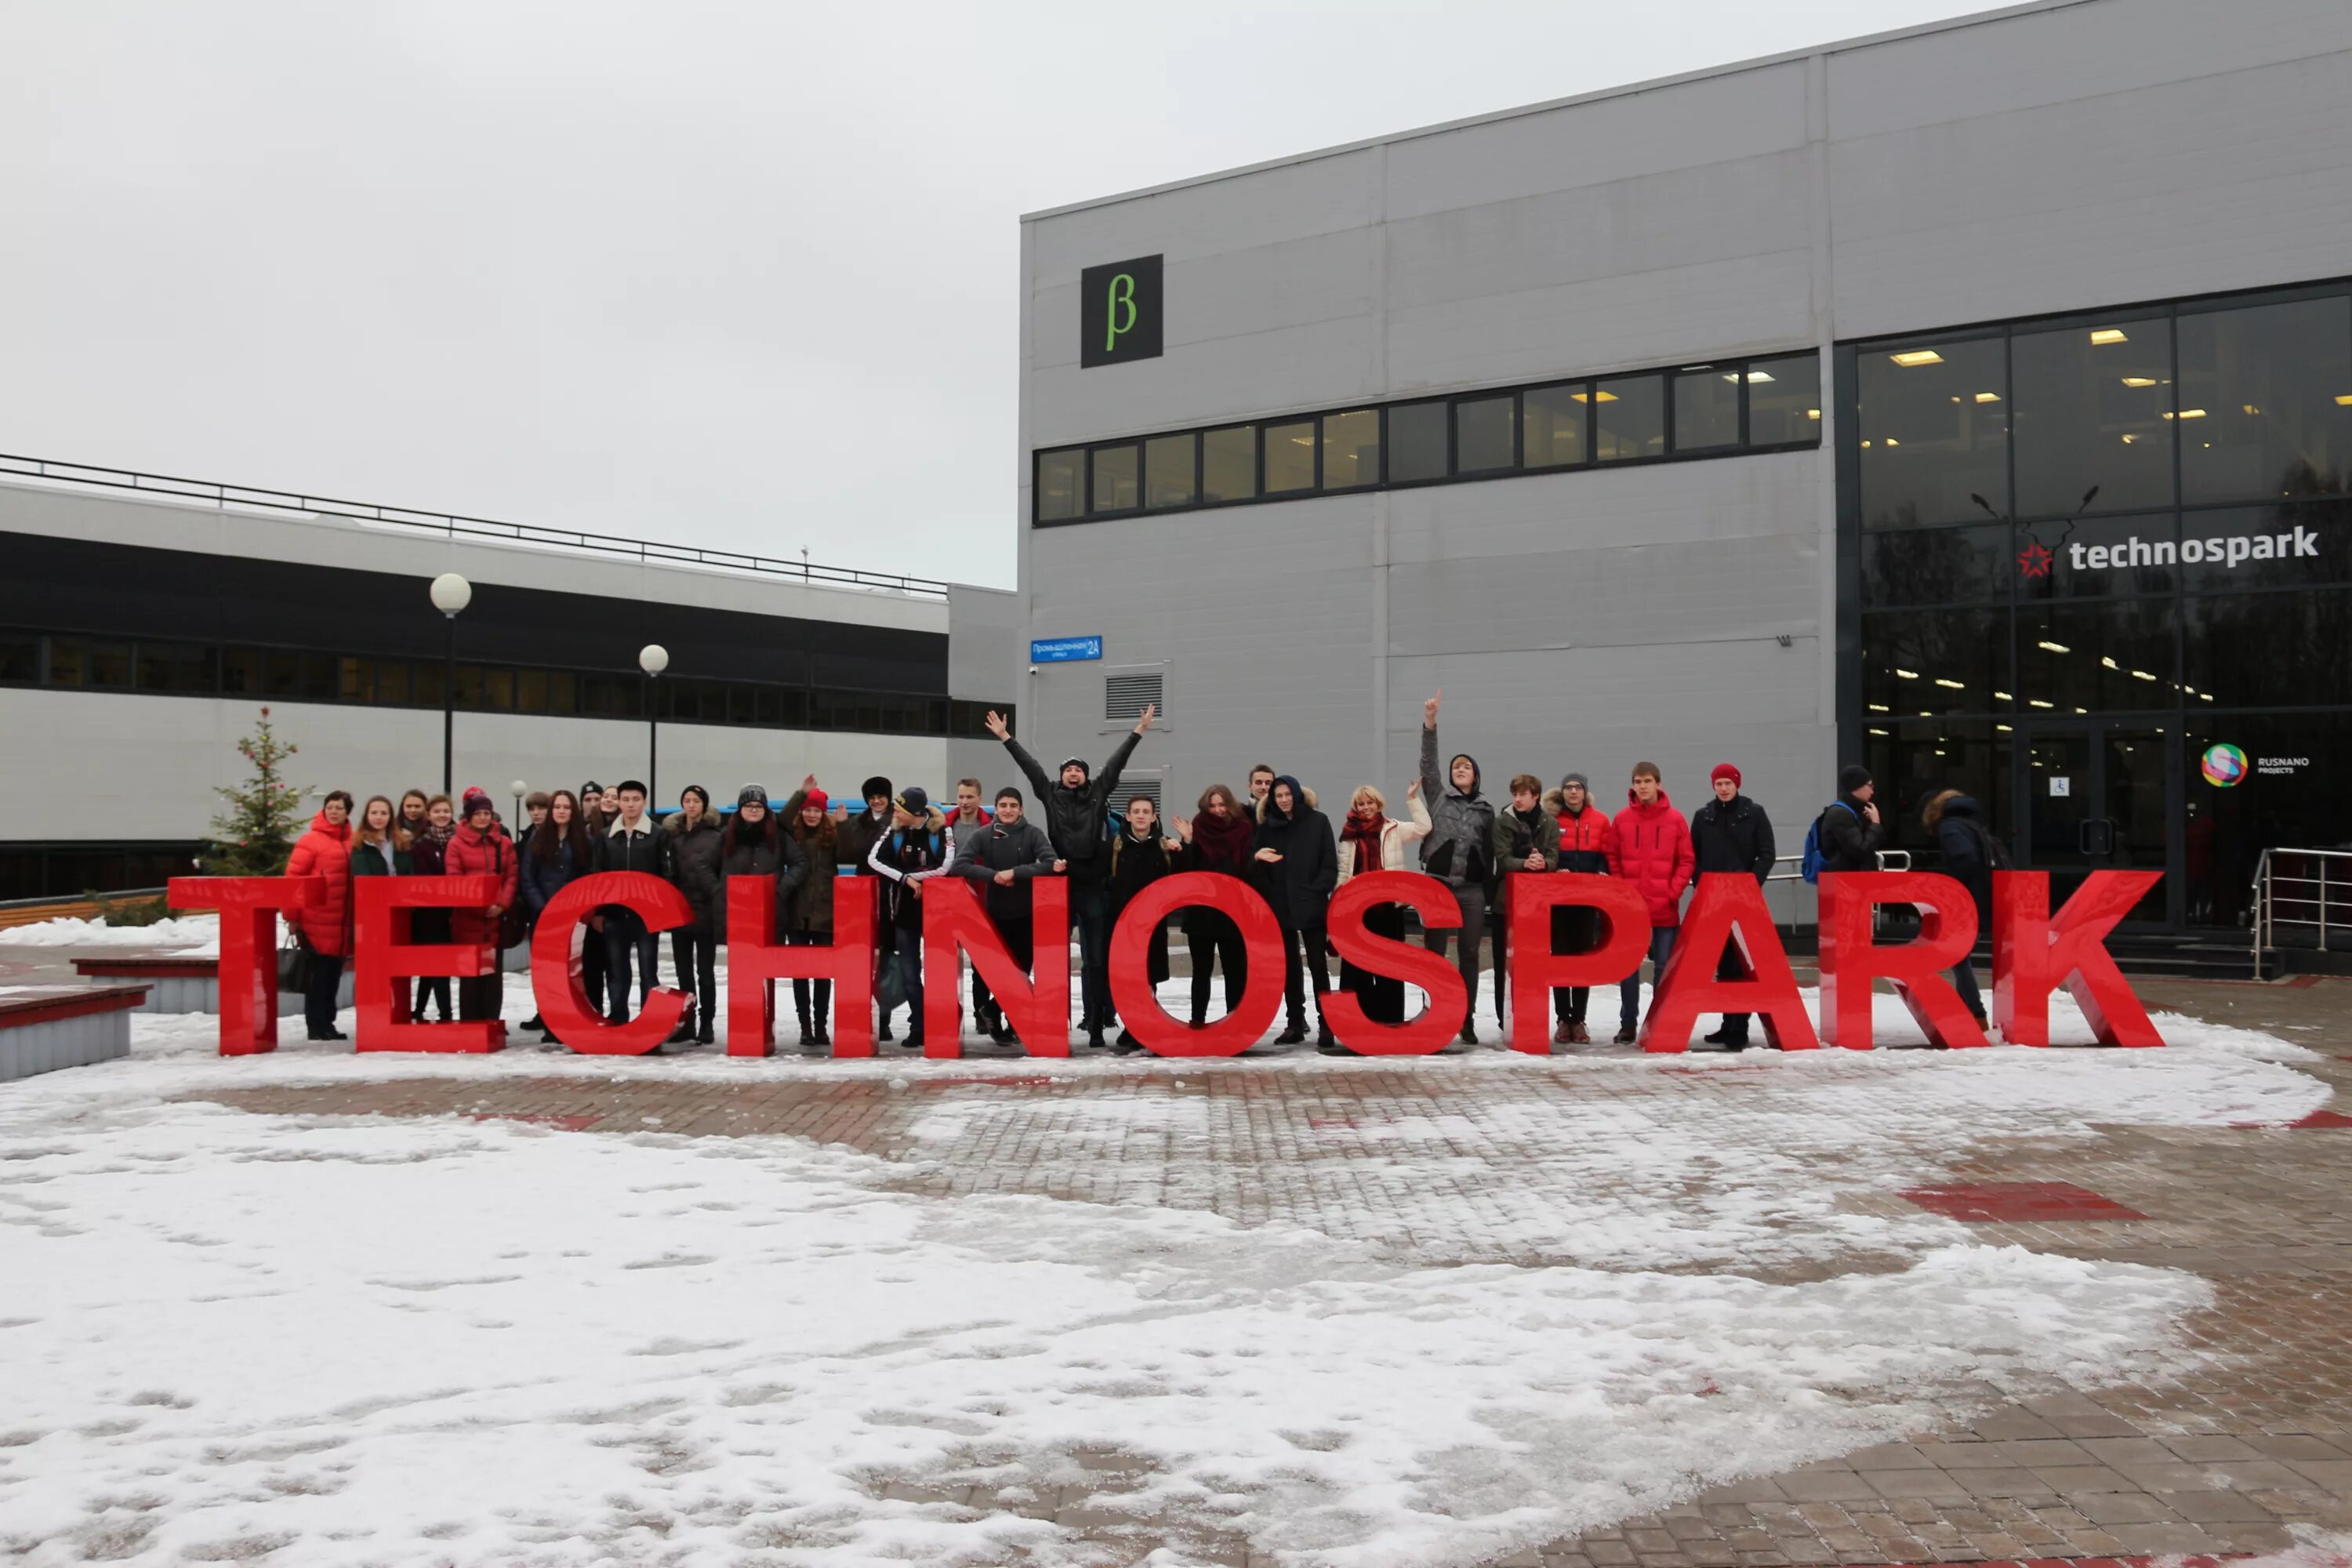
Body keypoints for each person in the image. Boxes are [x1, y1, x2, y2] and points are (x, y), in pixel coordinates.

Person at [988, 702, 1156, 1051]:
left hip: (1092, 887)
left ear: (1086, 776)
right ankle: (1037, 1016)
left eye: (1080, 770)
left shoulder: (1098, 795)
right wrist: (1006, 738)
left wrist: (1138, 732)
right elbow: (1030, 767)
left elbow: (1115, 764)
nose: (1075, 774)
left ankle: (1096, 1023)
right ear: (1062, 776)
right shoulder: (1049, 794)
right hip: (1059, 885)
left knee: (1096, 958)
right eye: (1069, 770)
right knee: (1047, 953)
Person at [1417, 691, 1497, 1047]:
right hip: (1437, 886)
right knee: (1435, 952)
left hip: (1472, 890)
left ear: (1475, 775)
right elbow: (1428, 765)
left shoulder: (1486, 809)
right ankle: (1434, 1014)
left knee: (1468, 954)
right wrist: (1430, 722)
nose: (1459, 770)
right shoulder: (1438, 796)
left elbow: (1493, 851)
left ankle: (1466, 1019)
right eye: (1456, 767)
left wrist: (1490, 891)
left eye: (1466, 767)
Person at [955, 786, 1061, 1045]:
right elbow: (960, 865)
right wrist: (993, 876)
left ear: (1021, 809)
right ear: (996, 809)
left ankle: (1000, 1014)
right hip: (995, 915)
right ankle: (993, 1015)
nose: (1008, 810)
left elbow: (1050, 863)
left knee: (1022, 971)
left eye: (1013, 806)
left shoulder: (1032, 834)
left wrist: (1014, 873)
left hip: (1026, 914)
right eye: (1003, 805)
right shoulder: (984, 835)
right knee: (996, 973)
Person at [1332, 779, 1432, 1044]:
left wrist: (1412, 798)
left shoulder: (1393, 828)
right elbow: (1344, 871)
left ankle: (1390, 1019)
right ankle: (1361, 1019)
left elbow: (1424, 828)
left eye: (1370, 803)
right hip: (1357, 910)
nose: (1366, 807)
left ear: (1379, 805)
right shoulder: (1348, 834)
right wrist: (1338, 905)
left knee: (1390, 966)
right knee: (1357, 965)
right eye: (1361, 804)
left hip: (1388, 907)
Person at [1688, 763, 1778, 1051]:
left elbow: (1767, 853)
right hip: (1713, 901)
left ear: (1737, 784)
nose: (1724, 788)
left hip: (1744, 901)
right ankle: (1728, 1024)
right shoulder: (1703, 817)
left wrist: (1751, 884)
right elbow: (1693, 855)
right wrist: (1701, 885)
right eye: (1719, 784)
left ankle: (1740, 1027)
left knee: (1741, 963)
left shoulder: (1755, 813)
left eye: (1728, 783)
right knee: (1722, 962)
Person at [1606, 762, 1693, 1045]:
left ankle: (1658, 1022)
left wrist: (1672, 892)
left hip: (1664, 908)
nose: (1642, 786)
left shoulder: (1676, 819)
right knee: (1628, 969)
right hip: (1631, 910)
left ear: (1658, 784)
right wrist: (1623, 890)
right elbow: (1613, 856)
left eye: (1647, 781)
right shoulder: (1621, 819)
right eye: (1637, 782)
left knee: (1663, 968)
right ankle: (1628, 1024)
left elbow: (1687, 860)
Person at [1252, 774, 1338, 1047]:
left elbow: (1329, 863)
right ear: (1273, 800)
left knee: (1318, 966)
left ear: (1297, 794)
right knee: (1290, 969)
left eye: (1288, 794)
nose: (1284, 799)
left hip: (1311, 904)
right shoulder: (1268, 827)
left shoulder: (1318, 821)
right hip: (1280, 906)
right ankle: (1295, 1023)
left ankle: (1327, 1024)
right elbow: (1258, 864)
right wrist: (1269, 890)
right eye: (1279, 796)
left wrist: (1317, 889)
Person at [868, 786, 956, 1051]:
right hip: (904, 912)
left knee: (942, 972)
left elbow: (944, 867)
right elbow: (874, 860)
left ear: (915, 812)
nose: (895, 812)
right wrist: (905, 879)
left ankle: (942, 1021)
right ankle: (918, 1026)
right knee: (909, 973)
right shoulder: (894, 830)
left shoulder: (942, 830)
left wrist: (915, 877)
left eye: (900, 809)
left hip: (937, 914)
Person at [1105, 794, 1185, 1052]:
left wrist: (1186, 845)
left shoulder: (1164, 847)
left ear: (1154, 817)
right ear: (1127, 817)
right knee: (1129, 977)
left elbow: (1185, 875)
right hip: (1125, 925)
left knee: (1149, 975)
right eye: (1136, 811)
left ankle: (1143, 1026)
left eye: (1146, 811)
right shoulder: (1115, 846)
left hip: (1154, 925)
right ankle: (1132, 1025)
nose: (1140, 815)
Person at [1172, 785, 1253, 1029]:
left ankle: (1235, 1020)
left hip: (1233, 912)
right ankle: (1198, 1020)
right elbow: (1185, 872)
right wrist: (1187, 841)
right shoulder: (1196, 829)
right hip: (1202, 914)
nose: (1218, 810)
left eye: (1221, 805)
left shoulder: (1245, 830)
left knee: (1234, 971)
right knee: (1201, 971)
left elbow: (1247, 870)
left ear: (1230, 804)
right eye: (1213, 806)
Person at [1489, 774, 1562, 1038]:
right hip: (1505, 903)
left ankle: (1531, 1015)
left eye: (1523, 794)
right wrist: (1524, 864)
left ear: (1535, 796)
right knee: (1503, 964)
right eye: (1515, 794)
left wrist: (1544, 863)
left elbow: (1554, 855)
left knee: (1534, 962)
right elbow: (1503, 859)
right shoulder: (1503, 822)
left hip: (1538, 904)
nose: (1517, 799)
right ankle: (1503, 1018)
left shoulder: (1549, 823)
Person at [596, 779, 672, 1028]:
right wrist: (598, 913)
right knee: (616, 971)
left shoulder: (658, 835)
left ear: (644, 802)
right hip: (615, 916)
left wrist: (660, 910)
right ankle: (618, 1017)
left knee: (648, 971)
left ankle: (648, 1022)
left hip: (646, 917)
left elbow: (666, 875)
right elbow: (596, 876)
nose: (630, 805)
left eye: (636, 799)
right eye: (626, 799)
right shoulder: (605, 837)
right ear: (618, 802)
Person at [1543, 772, 1613, 1044]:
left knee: (1583, 960)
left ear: (1585, 792)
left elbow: (1607, 854)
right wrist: (1554, 868)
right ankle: (1562, 1020)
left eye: (1578, 788)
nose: (1573, 792)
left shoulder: (1600, 820)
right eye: (1568, 788)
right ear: (1562, 792)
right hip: (1559, 902)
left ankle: (1579, 1020)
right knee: (1559, 959)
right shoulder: (1551, 821)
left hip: (1587, 902)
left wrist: (1602, 872)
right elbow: (1547, 853)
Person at [521, 789, 593, 1045]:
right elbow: (527, 879)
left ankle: (572, 1021)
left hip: (574, 918)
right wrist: (544, 908)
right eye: (557, 807)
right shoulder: (538, 840)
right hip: (544, 918)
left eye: (566, 807)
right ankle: (551, 1024)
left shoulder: (583, 841)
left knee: (571, 972)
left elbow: (589, 879)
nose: (561, 811)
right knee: (548, 974)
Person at [445, 786, 519, 1026]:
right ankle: (470, 1023)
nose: (484, 817)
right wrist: (479, 907)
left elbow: (511, 876)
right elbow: (454, 880)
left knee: (493, 974)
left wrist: (501, 904)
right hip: (468, 918)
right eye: (478, 813)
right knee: (470, 975)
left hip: (496, 919)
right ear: (469, 816)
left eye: (487, 813)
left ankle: (491, 1022)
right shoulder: (456, 844)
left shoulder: (504, 843)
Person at [1923, 788, 1996, 1032]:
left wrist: (1947, 885)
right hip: (1980, 897)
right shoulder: (1973, 825)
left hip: (1966, 900)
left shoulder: (1950, 827)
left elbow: (1965, 859)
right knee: (1958, 955)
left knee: (1958, 957)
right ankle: (1966, 1013)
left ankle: (1977, 1014)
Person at [286, 789, 355, 1041]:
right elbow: (293, 880)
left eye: (339, 808)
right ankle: (316, 1026)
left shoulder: (353, 842)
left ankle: (328, 1023)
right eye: (330, 807)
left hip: (342, 922)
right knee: (318, 977)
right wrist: (292, 917)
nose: (334, 812)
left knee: (333, 975)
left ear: (348, 812)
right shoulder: (310, 841)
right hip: (316, 920)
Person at [837, 775, 900, 1041]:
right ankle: (863, 1017)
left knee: (885, 962)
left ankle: (884, 1019)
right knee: (861, 962)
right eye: (871, 797)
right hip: (863, 900)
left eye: (880, 796)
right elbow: (847, 854)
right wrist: (841, 827)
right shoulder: (857, 823)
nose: (876, 801)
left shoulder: (899, 820)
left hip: (889, 898)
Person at [780, 778, 841, 1046]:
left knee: (823, 975)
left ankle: (821, 1025)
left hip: (826, 916)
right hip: (797, 916)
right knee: (800, 974)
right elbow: (781, 819)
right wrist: (800, 794)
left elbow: (851, 852)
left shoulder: (834, 835)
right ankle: (805, 1025)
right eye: (807, 809)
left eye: (817, 810)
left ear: (823, 812)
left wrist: (843, 825)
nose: (812, 814)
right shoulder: (792, 835)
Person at [666, 784, 724, 1047]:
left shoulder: (715, 836)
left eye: (696, 801)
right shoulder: (673, 836)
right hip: (679, 912)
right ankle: (687, 1023)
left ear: (704, 805)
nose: (691, 805)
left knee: (705, 973)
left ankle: (707, 1024)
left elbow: (720, 873)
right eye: (687, 800)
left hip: (706, 914)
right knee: (683, 974)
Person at [943, 778, 996, 1029]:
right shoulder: (945, 826)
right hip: (950, 901)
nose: (964, 802)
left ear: (980, 799)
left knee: (981, 964)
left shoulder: (990, 827)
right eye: (961, 797)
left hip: (981, 901)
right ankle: (948, 1015)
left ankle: (980, 1015)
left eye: (970, 797)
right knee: (945, 963)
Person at [409, 793, 457, 1024]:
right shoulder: (421, 845)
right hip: (429, 914)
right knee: (432, 965)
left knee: (438, 966)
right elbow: (424, 878)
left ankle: (423, 1010)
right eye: (437, 811)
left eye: (446, 811)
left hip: (454, 912)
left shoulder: (458, 841)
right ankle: (441, 1013)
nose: (442, 815)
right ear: (429, 815)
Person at [514, 792, 552, 1033]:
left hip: (559, 909)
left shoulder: (557, 836)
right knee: (540, 968)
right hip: (538, 911)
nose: (536, 813)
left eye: (541, 808)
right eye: (532, 809)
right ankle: (543, 1011)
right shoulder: (528, 837)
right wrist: (540, 906)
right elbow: (526, 877)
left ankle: (553, 1013)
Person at [575, 782, 612, 1018]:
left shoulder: (614, 830)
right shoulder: (579, 830)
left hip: (612, 909)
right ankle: (593, 1009)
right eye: (587, 799)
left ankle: (618, 1013)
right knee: (590, 966)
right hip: (585, 909)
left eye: (596, 798)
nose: (593, 803)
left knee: (615, 966)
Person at [1817, 764, 1888, 875]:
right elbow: (1861, 850)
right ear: (1857, 787)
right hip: (1844, 883)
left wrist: (1871, 824)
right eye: (1870, 786)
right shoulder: (1840, 814)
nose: (1872, 792)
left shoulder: (1855, 811)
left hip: (1852, 881)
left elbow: (1872, 845)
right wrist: (1875, 824)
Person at [350, 795, 413, 880]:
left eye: (384, 813)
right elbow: (362, 875)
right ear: (367, 816)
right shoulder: (360, 844)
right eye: (374, 813)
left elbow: (410, 872)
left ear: (390, 817)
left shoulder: (401, 843)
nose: (378, 817)